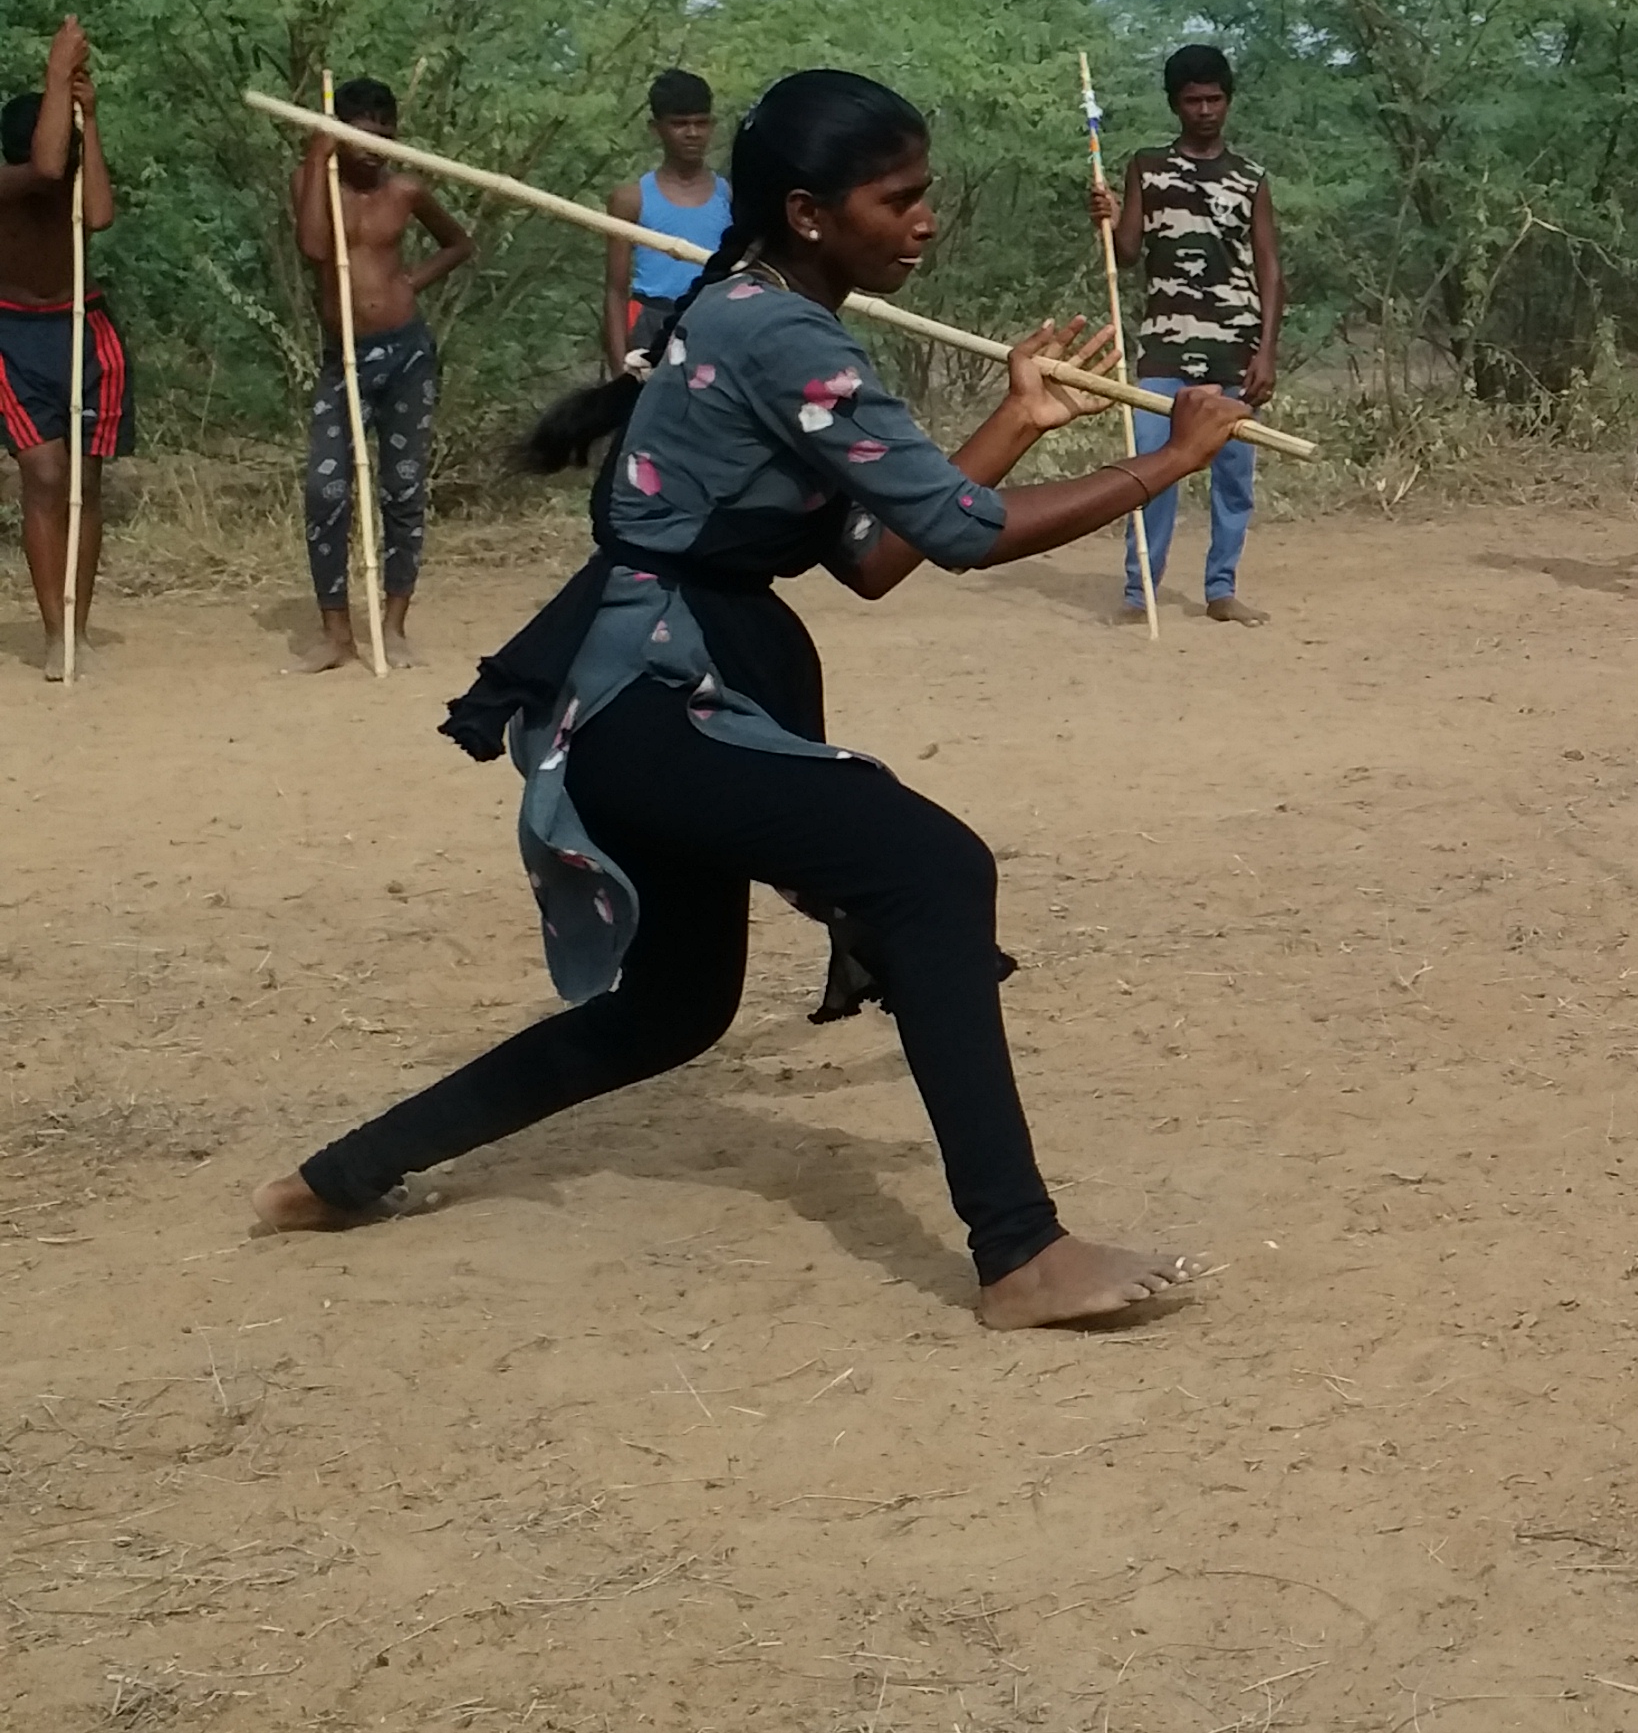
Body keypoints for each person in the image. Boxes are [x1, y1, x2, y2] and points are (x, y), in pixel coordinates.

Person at [253, 70, 1245, 1329]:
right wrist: (1173, 456)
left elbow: (878, 558)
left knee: (672, 1009)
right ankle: (1021, 1255)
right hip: (657, 697)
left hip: (666, 690)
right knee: (929, 872)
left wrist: (1015, 420)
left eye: (923, 192)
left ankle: (333, 1180)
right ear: (811, 214)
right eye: (901, 198)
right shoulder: (777, 334)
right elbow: (962, 537)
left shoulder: (759, 318)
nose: (925, 219)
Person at [288, 75, 479, 672]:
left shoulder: (406, 189)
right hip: (344, 357)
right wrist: (317, 154)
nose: (372, 145)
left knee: (402, 488)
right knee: (325, 492)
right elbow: (317, 250)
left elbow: (457, 243)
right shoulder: (314, 182)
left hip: (407, 355)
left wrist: (409, 282)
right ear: (339, 133)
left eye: (383, 133)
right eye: (358, 133)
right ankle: (336, 634)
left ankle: (393, 627)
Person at [1104, 43, 1282, 624]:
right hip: (1164, 345)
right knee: (1152, 470)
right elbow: (1127, 253)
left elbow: (1268, 266)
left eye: (1214, 99)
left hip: (1232, 349)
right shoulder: (1147, 167)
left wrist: (1266, 351)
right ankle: (1141, 594)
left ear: (1228, 102)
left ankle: (1222, 590)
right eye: (1192, 100)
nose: (1205, 110)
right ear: (1174, 105)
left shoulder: (1250, 178)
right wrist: (1106, 215)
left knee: (1233, 478)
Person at [1, 22, 123, 677]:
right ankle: (54, 633)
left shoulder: (71, 176)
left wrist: (89, 119)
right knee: (44, 475)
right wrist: (56, 72)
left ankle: (78, 629)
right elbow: (46, 164)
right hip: (12, 335)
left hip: (85, 327)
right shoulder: (11, 183)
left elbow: (99, 215)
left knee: (85, 481)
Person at [602, 68, 723, 365]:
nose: (692, 133)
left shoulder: (730, 197)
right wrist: (620, 371)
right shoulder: (630, 200)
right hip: (650, 325)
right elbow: (615, 291)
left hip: (715, 322)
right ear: (656, 128)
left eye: (700, 123)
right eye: (680, 124)